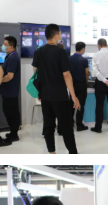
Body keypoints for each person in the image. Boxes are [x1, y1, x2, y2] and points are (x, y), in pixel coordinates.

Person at [31, 24, 81, 154]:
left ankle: (52, 153)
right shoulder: (60, 52)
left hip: (45, 95)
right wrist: (74, 96)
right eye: (60, 33)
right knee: (66, 126)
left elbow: (35, 72)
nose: (61, 35)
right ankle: (73, 154)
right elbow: (66, 75)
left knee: (48, 125)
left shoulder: (38, 52)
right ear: (56, 35)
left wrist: (39, 90)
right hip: (60, 96)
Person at [0, 36, 22, 142]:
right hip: (7, 91)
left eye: (5, 45)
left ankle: (14, 135)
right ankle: (12, 132)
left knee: (12, 113)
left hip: (11, 91)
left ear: (11, 46)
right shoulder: (10, 56)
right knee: (8, 112)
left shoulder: (13, 57)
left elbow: (10, 76)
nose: (3, 46)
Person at [68, 42, 90, 132]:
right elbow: (87, 73)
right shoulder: (84, 60)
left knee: (71, 105)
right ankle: (79, 125)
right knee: (81, 105)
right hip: (81, 85)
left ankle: (70, 124)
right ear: (83, 49)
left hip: (72, 85)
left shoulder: (69, 58)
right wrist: (86, 82)